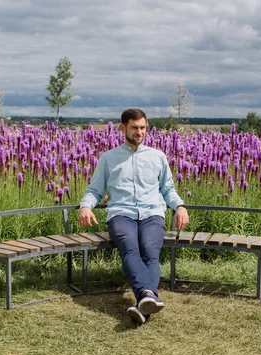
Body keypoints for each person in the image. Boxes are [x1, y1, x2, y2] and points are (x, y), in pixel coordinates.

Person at [79, 108, 189, 324]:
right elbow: (94, 191)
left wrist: (180, 206)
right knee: (130, 248)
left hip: (152, 214)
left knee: (150, 251)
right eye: (134, 127)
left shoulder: (158, 157)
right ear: (122, 128)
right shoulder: (109, 159)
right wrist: (85, 207)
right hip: (121, 214)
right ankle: (148, 296)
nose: (139, 132)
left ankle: (144, 300)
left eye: (143, 128)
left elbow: (168, 190)